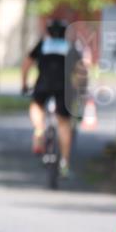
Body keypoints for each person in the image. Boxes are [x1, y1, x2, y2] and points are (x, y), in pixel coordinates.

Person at [21, 18, 82, 178]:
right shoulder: (70, 47)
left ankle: (39, 130)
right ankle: (64, 163)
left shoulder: (43, 45)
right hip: (64, 87)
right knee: (64, 124)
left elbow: (27, 63)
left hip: (43, 84)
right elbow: (80, 71)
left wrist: (24, 83)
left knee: (36, 106)